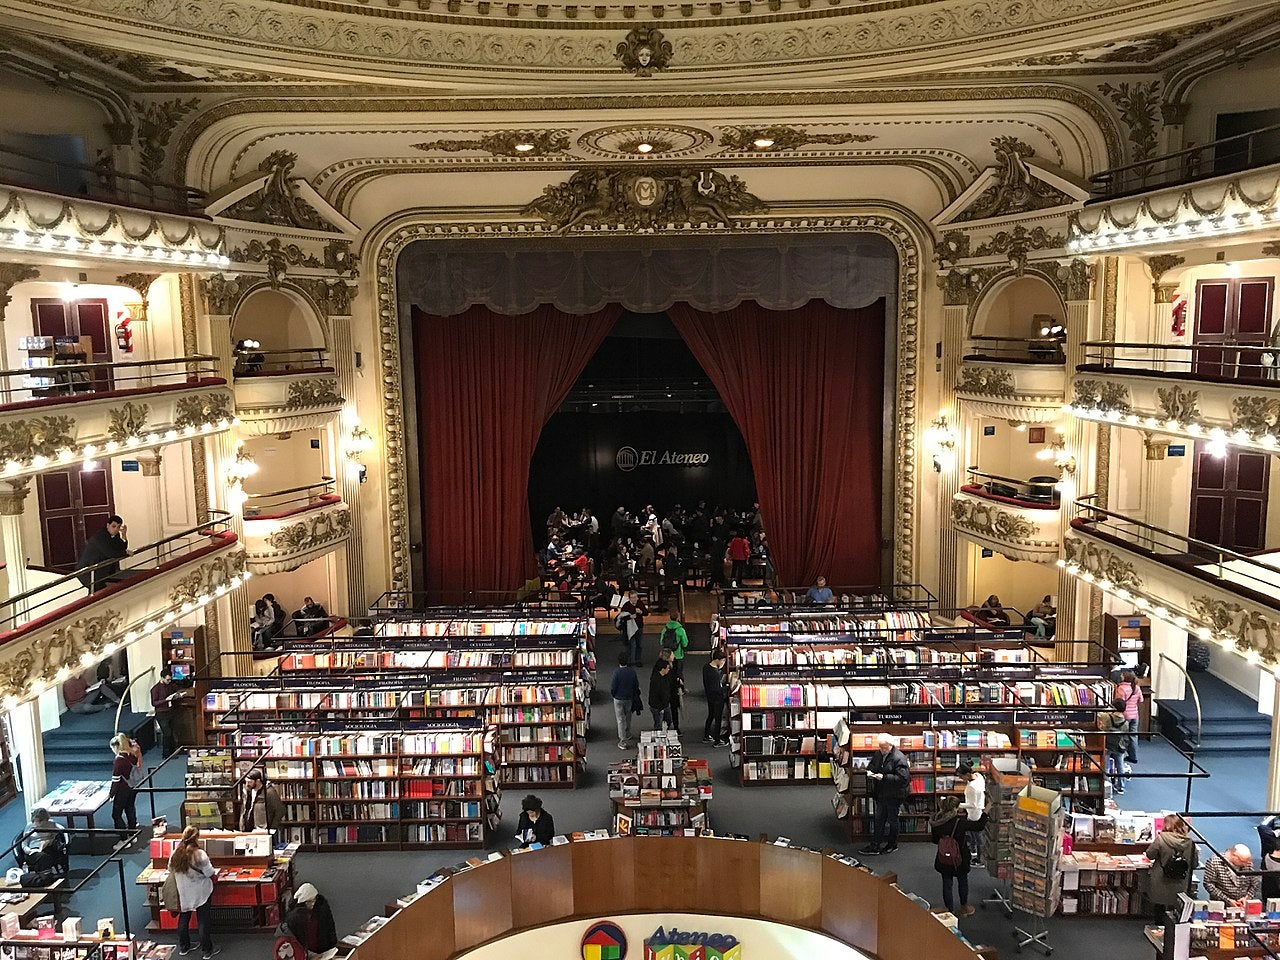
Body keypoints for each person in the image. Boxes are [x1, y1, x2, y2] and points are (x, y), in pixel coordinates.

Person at [930, 796, 987, 916]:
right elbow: (979, 826)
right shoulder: (959, 822)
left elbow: (935, 840)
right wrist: (986, 812)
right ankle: (964, 906)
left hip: (943, 857)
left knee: (947, 883)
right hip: (961, 858)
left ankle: (949, 909)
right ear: (956, 808)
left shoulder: (936, 821)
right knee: (962, 880)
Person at [168, 825, 220, 959]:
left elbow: (170, 869)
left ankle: (184, 947)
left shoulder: (175, 853)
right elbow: (210, 873)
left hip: (183, 892)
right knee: (203, 920)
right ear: (196, 838)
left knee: (183, 918)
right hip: (200, 892)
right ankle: (207, 950)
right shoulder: (199, 854)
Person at [861, 734, 910, 855]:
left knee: (892, 820)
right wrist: (871, 771)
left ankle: (892, 844)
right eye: (880, 747)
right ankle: (875, 845)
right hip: (882, 793)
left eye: (883, 747)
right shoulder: (878, 754)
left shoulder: (899, 758)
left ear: (890, 745)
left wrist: (884, 777)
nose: (881, 750)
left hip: (894, 795)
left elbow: (903, 778)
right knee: (879, 819)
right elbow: (873, 765)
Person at [1147, 814, 1199, 915]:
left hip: (1161, 878)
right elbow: (1194, 863)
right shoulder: (1190, 842)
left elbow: (1150, 855)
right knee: (1176, 906)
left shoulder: (1161, 838)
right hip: (1180, 880)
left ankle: (1159, 926)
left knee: (1159, 905)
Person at [76, 516, 129, 592]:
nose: (116, 529)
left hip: (99, 570)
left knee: (99, 591)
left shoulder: (115, 535)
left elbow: (121, 547)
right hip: (87, 570)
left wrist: (124, 535)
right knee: (96, 590)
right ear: (108, 525)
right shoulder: (100, 536)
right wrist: (126, 553)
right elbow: (110, 553)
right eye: (113, 526)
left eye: (118, 527)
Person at [284, 882, 337, 954]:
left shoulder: (322, 907)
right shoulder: (294, 916)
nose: (313, 903)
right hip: (306, 951)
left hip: (322, 947)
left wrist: (333, 944)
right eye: (309, 901)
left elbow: (330, 925)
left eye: (314, 900)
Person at [108, 732, 141, 841]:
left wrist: (111, 794)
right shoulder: (131, 755)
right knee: (130, 808)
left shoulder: (119, 760)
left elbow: (116, 779)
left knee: (116, 815)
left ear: (116, 746)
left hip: (123, 789)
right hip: (133, 786)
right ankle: (133, 833)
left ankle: (124, 840)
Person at [16, 808, 67, 875]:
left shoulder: (51, 824)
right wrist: (29, 850)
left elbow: (55, 837)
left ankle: (42, 877)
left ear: (46, 819)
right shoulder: (30, 826)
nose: (38, 823)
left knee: (45, 857)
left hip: (47, 847)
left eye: (40, 821)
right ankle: (46, 876)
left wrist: (48, 841)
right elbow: (24, 842)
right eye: (35, 821)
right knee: (43, 858)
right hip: (32, 850)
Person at [956, 760, 986, 863]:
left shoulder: (971, 787)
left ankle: (979, 859)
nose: (961, 778)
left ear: (967, 774)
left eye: (961, 776)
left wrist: (957, 805)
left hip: (974, 814)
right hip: (980, 810)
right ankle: (975, 854)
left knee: (977, 838)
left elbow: (973, 805)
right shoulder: (979, 776)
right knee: (976, 836)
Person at [610, 652, 641, 750]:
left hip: (618, 698)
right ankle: (627, 733)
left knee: (620, 719)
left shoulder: (616, 672)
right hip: (629, 698)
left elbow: (613, 687)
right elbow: (636, 685)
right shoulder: (632, 672)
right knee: (628, 716)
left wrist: (614, 695)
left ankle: (622, 741)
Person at [1100, 696, 1130, 795]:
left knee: (1105, 766)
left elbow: (1099, 716)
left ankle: (1107, 786)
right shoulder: (1126, 723)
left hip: (1107, 744)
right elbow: (1126, 736)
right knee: (1120, 766)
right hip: (1119, 746)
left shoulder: (1107, 717)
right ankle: (1121, 786)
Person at [150, 666, 182, 756]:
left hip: (170, 711)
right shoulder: (155, 689)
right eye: (167, 680)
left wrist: (178, 695)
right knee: (167, 733)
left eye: (170, 679)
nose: (169, 681)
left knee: (172, 732)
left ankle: (172, 752)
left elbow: (176, 690)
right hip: (161, 713)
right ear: (162, 678)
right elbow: (154, 703)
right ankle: (166, 753)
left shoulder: (170, 686)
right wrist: (165, 700)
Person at [1116, 669, 1144, 767]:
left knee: (1122, 736)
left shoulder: (1121, 688)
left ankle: (1120, 755)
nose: (1120, 676)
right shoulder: (1136, 688)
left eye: (1122, 675)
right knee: (1133, 736)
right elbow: (1141, 700)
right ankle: (1133, 757)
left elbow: (1119, 703)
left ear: (1124, 676)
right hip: (1135, 715)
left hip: (1125, 716)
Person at [702, 647, 729, 745]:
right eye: (722, 661)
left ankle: (706, 736)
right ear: (717, 660)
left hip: (709, 696)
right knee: (718, 719)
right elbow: (716, 689)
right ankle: (717, 741)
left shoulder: (706, 667)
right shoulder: (715, 673)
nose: (723, 663)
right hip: (717, 698)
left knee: (711, 715)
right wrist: (727, 687)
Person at [648, 656, 674, 731]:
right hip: (657, 706)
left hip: (665, 704)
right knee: (658, 723)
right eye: (667, 668)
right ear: (663, 669)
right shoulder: (656, 680)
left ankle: (665, 731)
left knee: (668, 720)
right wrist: (661, 708)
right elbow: (656, 695)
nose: (669, 670)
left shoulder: (664, 676)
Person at [658, 616, 689, 681]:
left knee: (668, 673)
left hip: (667, 656)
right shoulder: (680, 630)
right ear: (678, 618)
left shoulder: (665, 629)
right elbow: (685, 643)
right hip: (678, 656)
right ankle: (680, 688)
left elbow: (661, 642)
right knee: (679, 673)